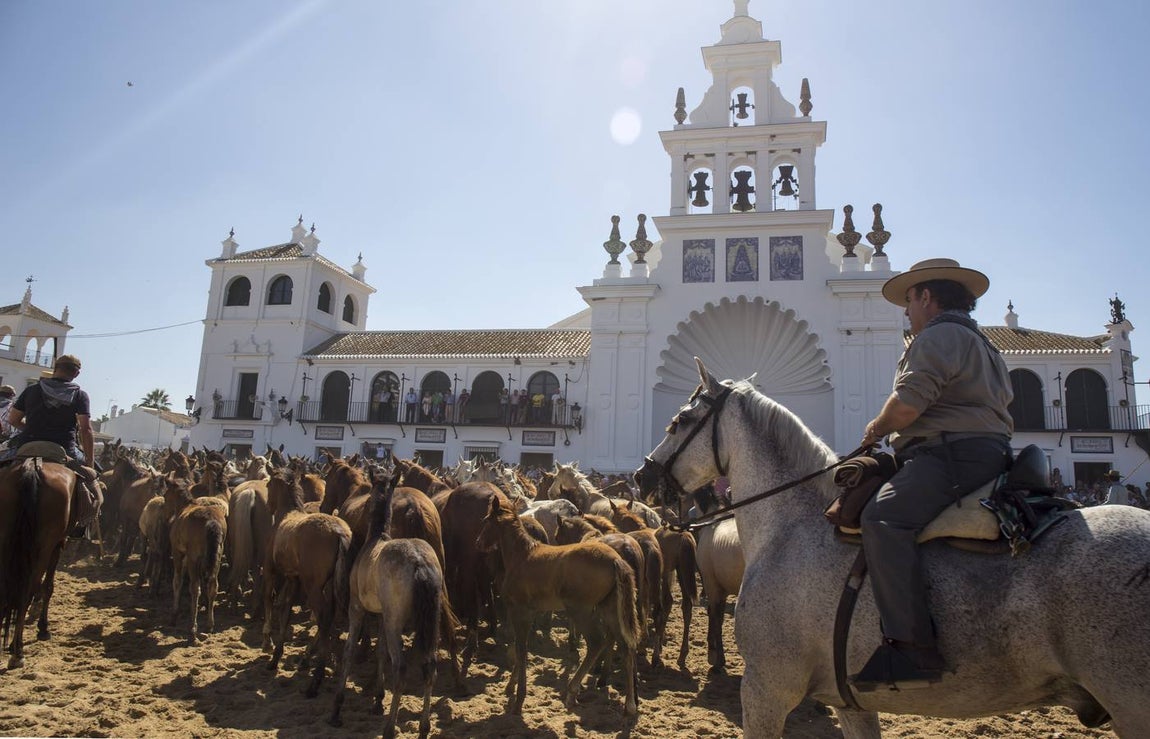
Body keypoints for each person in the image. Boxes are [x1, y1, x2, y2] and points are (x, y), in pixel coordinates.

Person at [853, 258, 1014, 690]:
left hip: (949, 454)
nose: (906, 311)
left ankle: (911, 648)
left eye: (909, 300)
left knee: (882, 519)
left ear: (927, 296)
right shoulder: (982, 343)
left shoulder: (938, 336)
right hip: (986, 450)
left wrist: (876, 429)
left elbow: (907, 405)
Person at [6, 355, 102, 536]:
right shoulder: (80, 395)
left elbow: (13, 419)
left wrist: (31, 428)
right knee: (94, 484)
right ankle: (81, 527)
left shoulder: (32, 390)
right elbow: (86, 429)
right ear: (76, 373)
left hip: (28, 443)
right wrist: (89, 462)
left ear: (55, 368)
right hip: (64, 448)